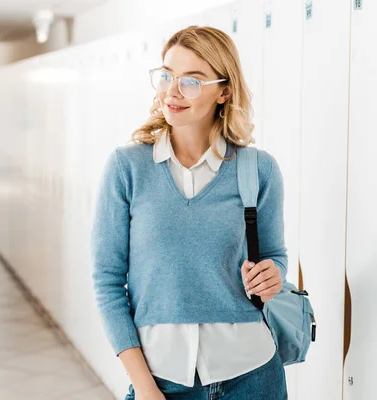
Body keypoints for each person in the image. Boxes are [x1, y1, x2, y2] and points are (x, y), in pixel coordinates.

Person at [90, 26, 288, 400]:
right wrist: (145, 388)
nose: (171, 91)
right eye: (166, 76)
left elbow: (276, 256)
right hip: (161, 380)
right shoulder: (127, 168)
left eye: (191, 81)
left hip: (252, 375)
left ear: (224, 91)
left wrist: (272, 275)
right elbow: (107, 282)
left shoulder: (258, 170)